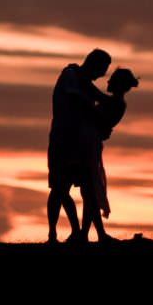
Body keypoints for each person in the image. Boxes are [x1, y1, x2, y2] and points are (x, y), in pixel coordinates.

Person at [47, 48, 112, 243]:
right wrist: (100, 120)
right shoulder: (70, 75)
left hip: (80, 144)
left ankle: (80, 233)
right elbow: (79, 101)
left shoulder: (84, 82)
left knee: (87, 190)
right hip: (63, 141)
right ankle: (54, 234)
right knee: (59, 188)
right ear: (93, 63)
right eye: (102, 69)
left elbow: (100, 98)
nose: (102, 75)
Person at [79, 68, 139, 242]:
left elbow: (97, 115)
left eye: (111, 80)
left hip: (91, 145)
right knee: (89, 191)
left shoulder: (117, 103)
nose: (107, 82)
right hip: (92, 143)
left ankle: (91, 234)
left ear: (119, 84)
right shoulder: (115, 102)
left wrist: (84, 86)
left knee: (90, 191)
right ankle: (93, 234)